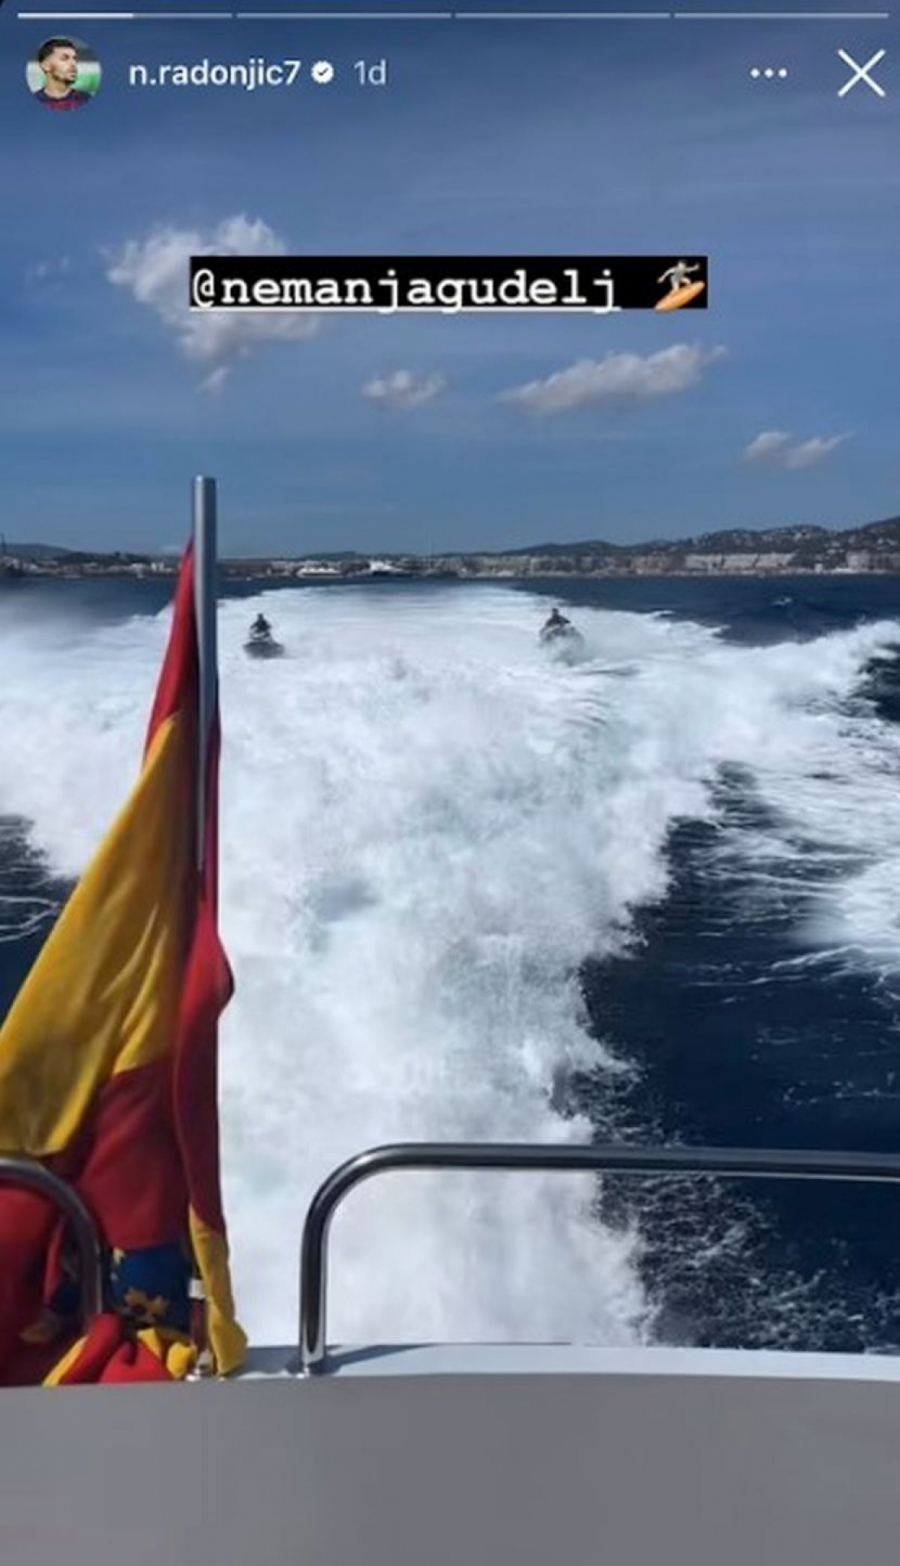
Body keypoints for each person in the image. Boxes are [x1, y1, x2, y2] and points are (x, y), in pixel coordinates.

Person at [34, 38, 92, 110]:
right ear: (46, 66)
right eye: (64, 58)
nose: (73, 64)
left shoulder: (85, 100)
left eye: (74, 59)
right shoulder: (34, 101)